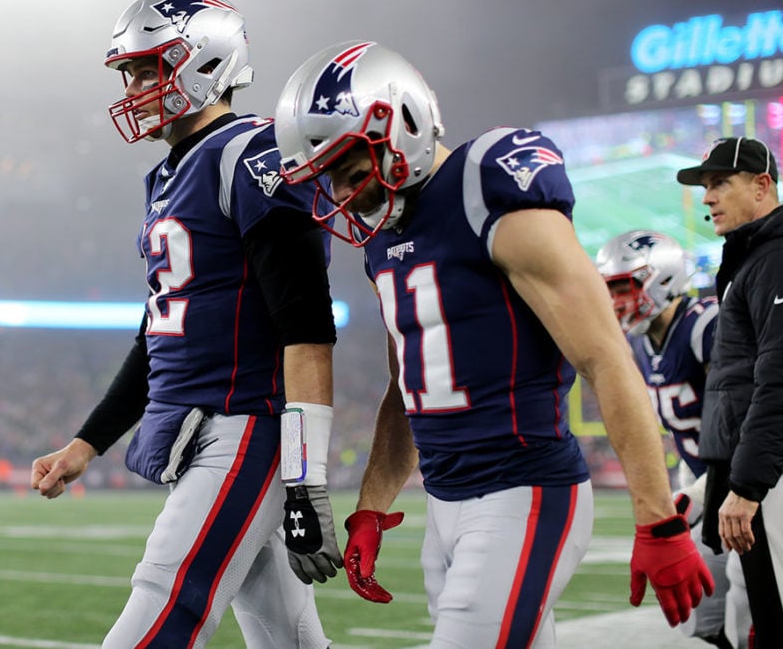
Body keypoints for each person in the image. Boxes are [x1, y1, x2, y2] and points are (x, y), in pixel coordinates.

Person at [273, 40, 713, 647]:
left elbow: (605, 357)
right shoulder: (384, 239)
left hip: (523, 493)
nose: (349, 195)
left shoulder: (487, 185)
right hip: (445, 505)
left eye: (352, 170)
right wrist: (372, 505)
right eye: (332, 180)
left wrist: (658, 520)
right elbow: (406, 391)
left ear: (402, 123)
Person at [29, 0, 340, 648]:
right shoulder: (165, 177)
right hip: (198, 424)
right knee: (287, 638)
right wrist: (88, 441)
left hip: (246, 427)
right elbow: (159, 332)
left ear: (204, 61)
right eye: (130, 72)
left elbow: (306, 329)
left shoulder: (252, 154)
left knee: (162, 609)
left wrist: (306, 476)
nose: (136, 86)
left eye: (148, 67)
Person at [596, 229, 739, 647]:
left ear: (662, 278)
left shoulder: (706, 326)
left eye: (623, 286)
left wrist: (691, 498)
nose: (616, 300)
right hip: (705, 486)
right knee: (703, 615)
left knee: (751, 606)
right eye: (610, 289)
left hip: (746, 487)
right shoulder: (641, 345)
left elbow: (734, 427)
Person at [677, 136, 783, 646]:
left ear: (762, 185)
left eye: (720, 183)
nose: (707, 197)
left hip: (773, 484)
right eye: (705, 186)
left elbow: (778, 378)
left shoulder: (774, 257)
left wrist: (747, 486)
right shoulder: (754, 257)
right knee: (755, 617)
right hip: (760, 478)